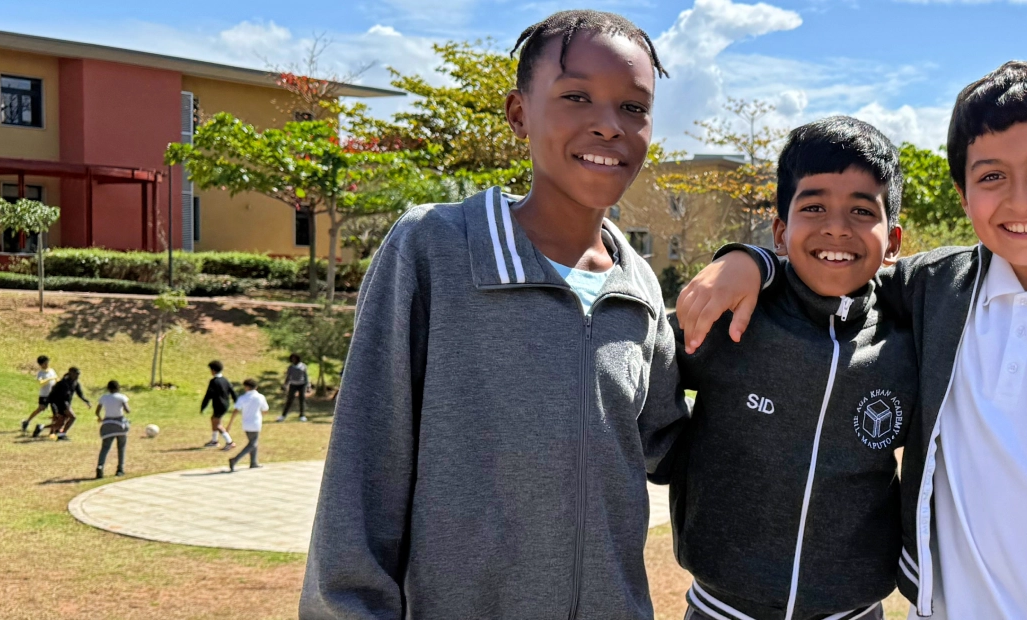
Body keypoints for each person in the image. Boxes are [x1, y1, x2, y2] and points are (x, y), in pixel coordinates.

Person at [681, 61, 1027, 618]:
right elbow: (838, 266)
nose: (1021, 200)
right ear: (963, 192)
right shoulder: (938, 290)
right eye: (992, 176)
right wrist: (750, 260)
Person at [300, 11, 685, 619]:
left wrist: (758, 269)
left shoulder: (638, 287)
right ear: (518, 114)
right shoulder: (434, 248)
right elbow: (363, 469)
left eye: (633, 108)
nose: (609, 126)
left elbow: (674, 451)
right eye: (576, 96)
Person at [652, 117, 913, 620]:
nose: (836, 226)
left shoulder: (907, 338)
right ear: (779, 230)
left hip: (854, 611)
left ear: (894, 240)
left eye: (862, 210)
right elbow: (641, 359)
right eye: (813, 206)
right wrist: (666, 456)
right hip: (721, 608)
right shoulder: (737, 314)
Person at [228, 379, 270, 472]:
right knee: (253, 443)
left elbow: (236, 410)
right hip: (256, 423)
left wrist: (230, 422)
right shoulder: (260, 397)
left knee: (253, 442)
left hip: (246, 423)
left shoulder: (242, 398)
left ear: (246, 387)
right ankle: (235, 459)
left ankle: (253, 462)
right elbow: (265, 409)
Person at [94, 380, 134, 479]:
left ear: (108, 388)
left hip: (107, 424)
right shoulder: (121, 397)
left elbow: (97, 411)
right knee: (121, 447)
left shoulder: (104, 398)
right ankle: (120, 469)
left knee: (105, 448)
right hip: (119, 424)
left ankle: (100, 467)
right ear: (118, 388)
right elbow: (127, 410)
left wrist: (100, 417)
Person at [35, 367, 89, 440]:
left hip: (66, 404)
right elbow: (52, 394)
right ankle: (62, 434)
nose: (77, 376)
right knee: (73, 417)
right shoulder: (62, 383)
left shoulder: (75, 383)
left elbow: (80, 394)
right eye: (76, 374)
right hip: (61, 404)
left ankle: (41, 427)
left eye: (78, 374)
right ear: (71, 373)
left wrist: (86, 401)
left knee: (61, 423)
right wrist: (47, 403)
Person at [200, 360, 236, 449]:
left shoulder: (214, 381)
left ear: (213, 370)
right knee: (213, 419)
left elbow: (208, 395)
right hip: (225, 405)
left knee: (217, 424)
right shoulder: (225, 380)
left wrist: (203, 406)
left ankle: (229, 442)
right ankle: (214, 441)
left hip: (218, 405)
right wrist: (237, 402)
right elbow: (232, 392)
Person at [22, 354, 57, 433]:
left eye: (47, 362)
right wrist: (50, 379)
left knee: (56, 411)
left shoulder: (52, 370)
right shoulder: (40, 373)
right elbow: (41, 383)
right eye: (45, 363)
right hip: (44, 395)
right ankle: (27, 421)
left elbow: (56, 379)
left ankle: (54, 429)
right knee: (40, 409)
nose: (47, 364)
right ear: (41, 364)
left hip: (53, 395)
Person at [278, 353, 310, 423]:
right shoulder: (291, 367)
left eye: (295, 358)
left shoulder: (303, 366)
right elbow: (288, 377)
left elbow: (306, 377)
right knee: (289, 400)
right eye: (292, 358)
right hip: (293, 384)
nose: (293, 360)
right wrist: (285, 385)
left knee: (302, 400)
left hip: (302, 385)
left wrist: (308, 386)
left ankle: (302, 415)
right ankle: (283, 415)